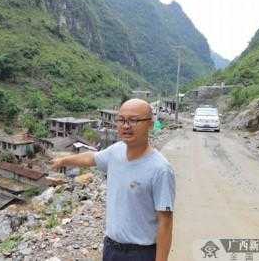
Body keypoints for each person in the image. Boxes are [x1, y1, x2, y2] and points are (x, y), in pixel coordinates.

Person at [51, 98, 176, 261]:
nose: (126, 125)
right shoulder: (116, 151)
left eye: (134, 120)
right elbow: (92, 158)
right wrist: (64, 161)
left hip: (141, 254)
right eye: (122, 120)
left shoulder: (160, 169)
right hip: (111, 248)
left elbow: (165, 223)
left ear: (150, 124)